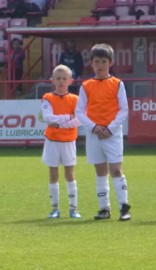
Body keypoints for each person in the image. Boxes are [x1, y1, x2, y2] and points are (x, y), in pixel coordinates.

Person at [75, 43, 131, 221]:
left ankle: (124, 207)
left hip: (112, 134)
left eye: (103, 61)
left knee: (115, 169)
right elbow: (79, 111)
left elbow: (124, 110)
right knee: (100, 170)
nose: (100, 65)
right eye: (97, 61)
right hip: (94, 134)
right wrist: (93, 127)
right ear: (91, 63)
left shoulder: (117, 84)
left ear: (110, 63)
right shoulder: (86, 86)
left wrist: (110, 128)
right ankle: (104, 209)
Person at [41, 65, 81, 219]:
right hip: (52, 140)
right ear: (52, 80)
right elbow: (48, 118)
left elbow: (78, 120)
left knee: (70, 174)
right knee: (53, 173)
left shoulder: (75, 99)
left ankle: (73, 208)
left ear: (70, 81)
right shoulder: (47, 98)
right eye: (58, 78)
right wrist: (67, 118)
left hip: (69, 140)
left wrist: (59, 123)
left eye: (64, 78)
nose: (61, 81)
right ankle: (55, 208)